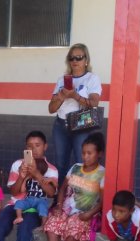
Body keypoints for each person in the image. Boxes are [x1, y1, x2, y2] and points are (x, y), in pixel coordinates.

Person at [44, 136, 105, 241]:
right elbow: (63, 189)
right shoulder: (75, 168)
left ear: (100, 154)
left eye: (90, 153)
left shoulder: (102, 174)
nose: (85, 156)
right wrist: (58, 205)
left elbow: (103, 201)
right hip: (66, 208)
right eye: (84, 153)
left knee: (73, 233)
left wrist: (90, 213)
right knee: (51, 226)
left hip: (84, 213)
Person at [48, 43, 102, 183]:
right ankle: (60, 199)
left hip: (81, 124)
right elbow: (51, 109)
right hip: (61, 124)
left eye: (79, 57)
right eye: (71, 58)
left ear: (86, 60)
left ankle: (80, 200)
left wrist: (74, 95)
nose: (75, 61)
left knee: (81, 163)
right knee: (60, 163)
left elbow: (94, 103)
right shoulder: (62, 79)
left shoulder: (92, 78)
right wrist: (61, 97)